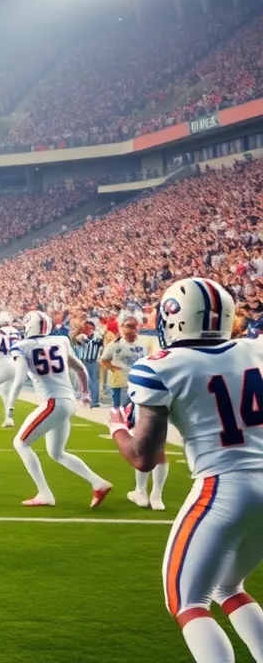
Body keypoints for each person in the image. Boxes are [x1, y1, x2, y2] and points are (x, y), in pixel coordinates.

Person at [110, 277, 263, 663]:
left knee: (187, 602)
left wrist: (116, 428)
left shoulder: (160, 367)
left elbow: (143, 456)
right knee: (229, 586)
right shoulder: (254, 350)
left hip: (223, 487)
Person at [8, 311, 113, 508]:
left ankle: (44, 493)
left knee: (20, 443)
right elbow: (80, 368)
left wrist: (9, 410)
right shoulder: (61, 340)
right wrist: (85, 393)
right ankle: (98, 483)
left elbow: (20, 379)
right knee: (57, 453)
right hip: (68, 401)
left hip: (53, 402)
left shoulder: (21, 347)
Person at [101, 315, 167, 510]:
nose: (133, 330)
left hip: (141, 392)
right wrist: (115, 370)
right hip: (133, 388)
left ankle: (146, 492)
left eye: (135, 326)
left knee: (143, 440)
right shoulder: (116, 344)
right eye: (129, 326)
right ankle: (152, 495)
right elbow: (104, 360)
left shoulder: (146, 342)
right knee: (157, 441)